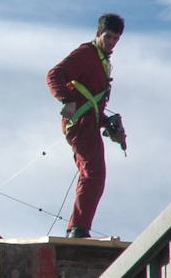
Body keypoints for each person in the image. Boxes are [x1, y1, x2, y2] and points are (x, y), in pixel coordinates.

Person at [47, 13, 126, 238]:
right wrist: (67, 100)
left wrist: (108, 124)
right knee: (94, 173)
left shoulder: (101, 61)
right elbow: (54, 75)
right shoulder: (87, 54)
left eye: (115, 39)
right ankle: (78, 228)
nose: (111, 42)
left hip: (88, 121)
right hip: (80, 122)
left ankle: (78, 227)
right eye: (107, 37)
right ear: (98, 34)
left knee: (92, 174)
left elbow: (90, 103)